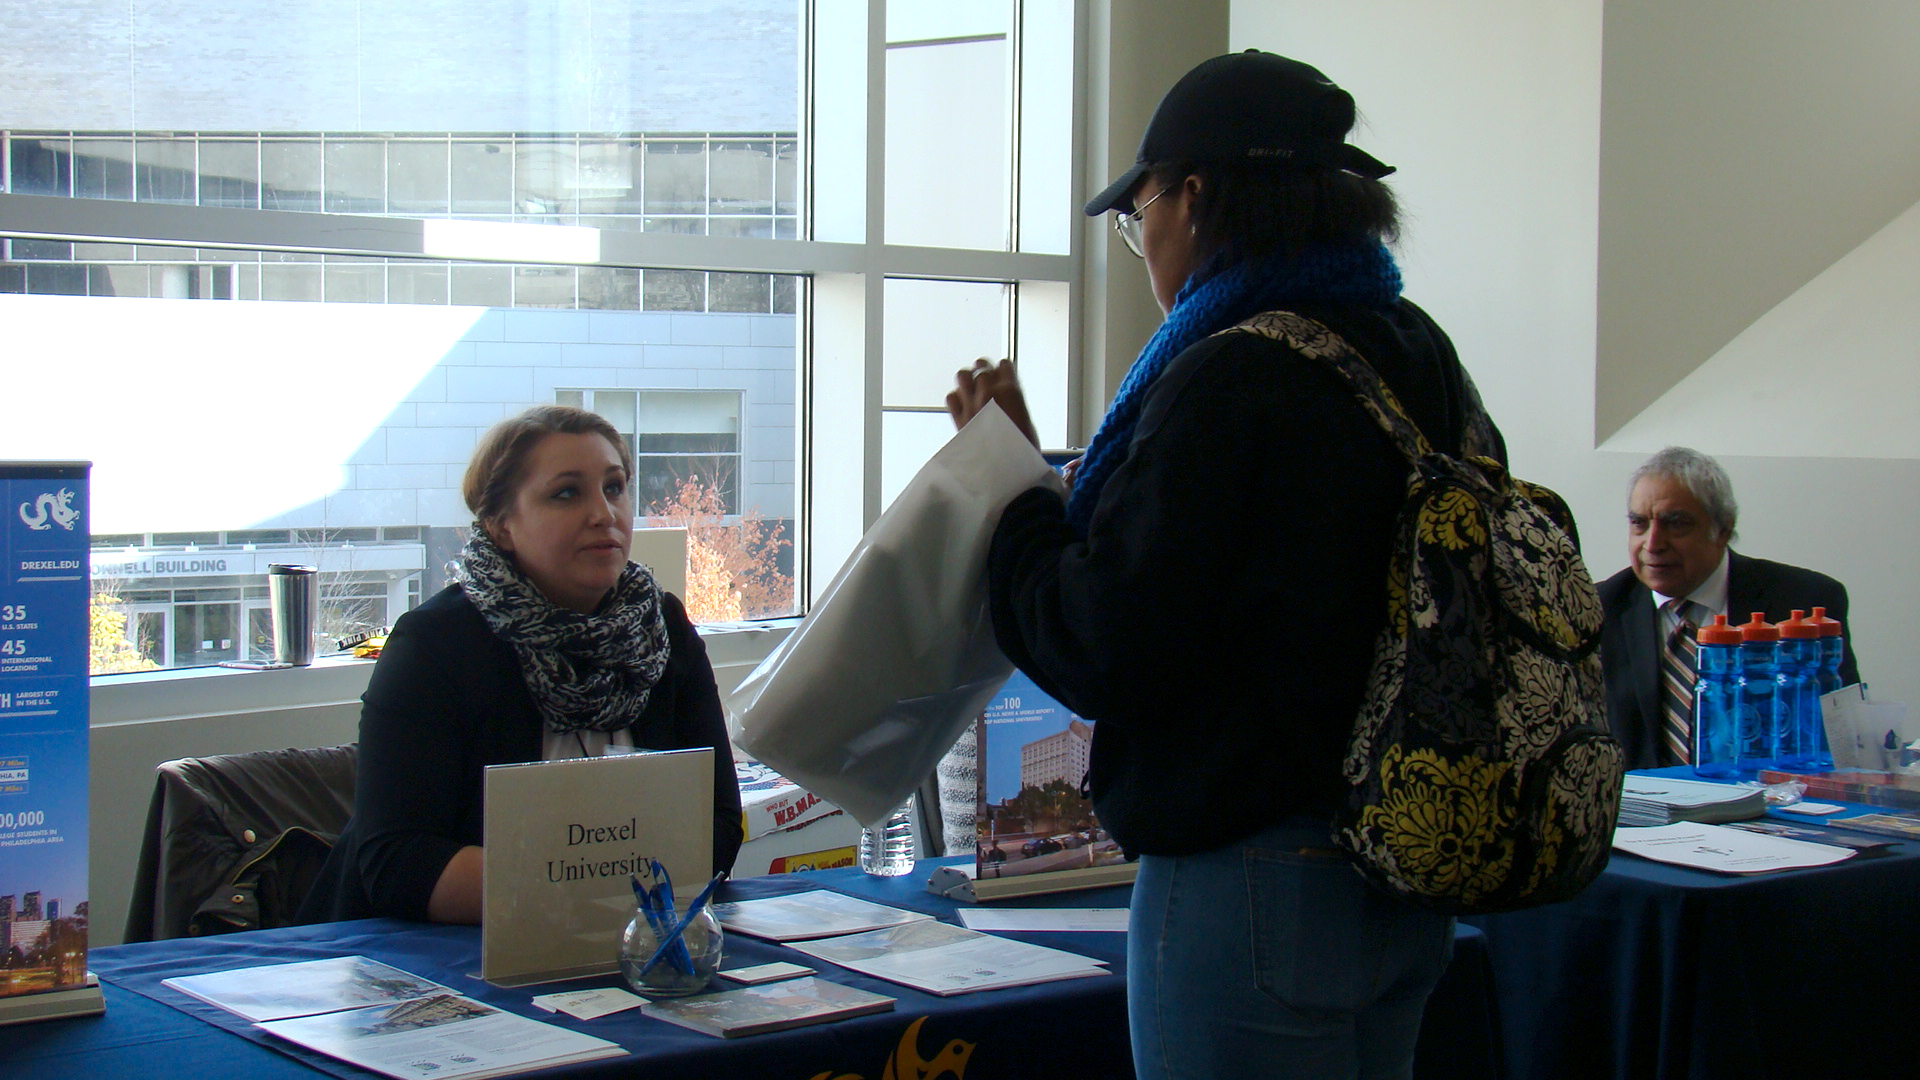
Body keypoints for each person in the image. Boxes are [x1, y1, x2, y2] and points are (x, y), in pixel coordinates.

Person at [946, 50, 1488, 1080]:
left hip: (1253, 877)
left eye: (1139, 207)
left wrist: (1014, 490)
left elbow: (1110, 637)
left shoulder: (1231, 372)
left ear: (1193, 197)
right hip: (1410, 860)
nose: (1139, 237)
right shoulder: (1416, 348)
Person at [301, 405, 743, 925]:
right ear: (502, 525)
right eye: (567, 493)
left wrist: (610, 901)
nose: (604, 513)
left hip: (632, 936)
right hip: (434, 950)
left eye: (615, 487)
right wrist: (579, 896)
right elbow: (397, 862)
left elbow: (716, 821)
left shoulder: (662, 625)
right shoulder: (435, 643)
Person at [1598, 446, 1861, 770]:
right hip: (1640, 813)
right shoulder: (1596, 612)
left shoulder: (1805, 602)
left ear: (1722, 530)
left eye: (1675, 524)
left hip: (1770, 809)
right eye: (1639, 524)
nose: (1652, 544)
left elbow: (1846, 742)